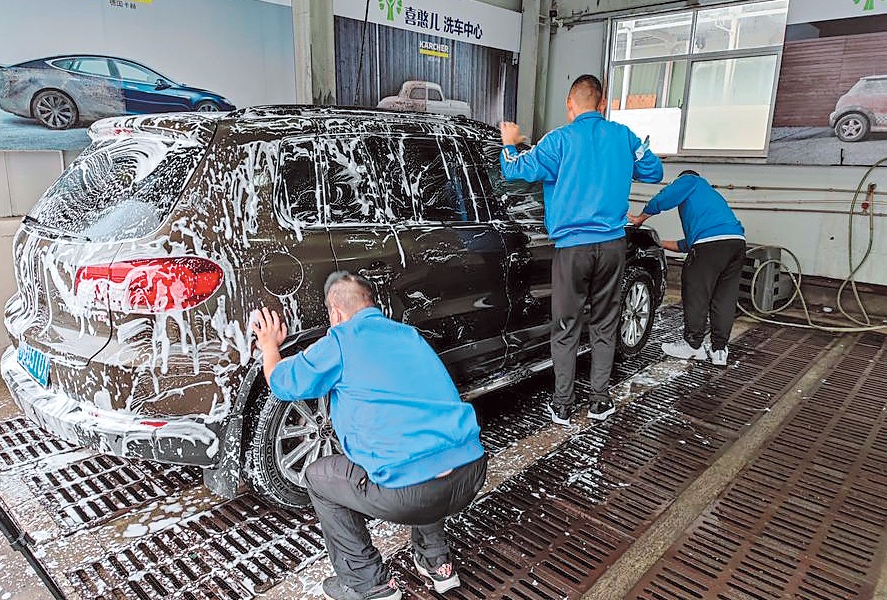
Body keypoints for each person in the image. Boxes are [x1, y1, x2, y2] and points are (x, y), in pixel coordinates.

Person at [251, 271, 487, 600]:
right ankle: (438, 563)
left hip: (410, 493)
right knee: (421, 444)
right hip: (470, 472)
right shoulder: (409, 335)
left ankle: (370, 585)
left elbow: (281, 382)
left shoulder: (341, 340)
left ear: (335, 312)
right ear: (372, 305)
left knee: (319, 478)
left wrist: (268, 346)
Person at [498, 74, 663, 427]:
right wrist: (636, 149)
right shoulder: (622, 136)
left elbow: (513, 171)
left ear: (570, 106)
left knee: (567, 324)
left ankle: (562, 405)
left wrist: (509, 142)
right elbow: (653, 171)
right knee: (605, 322)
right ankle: (600, 401)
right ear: (602, 105)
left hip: (573, 249)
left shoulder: (557, 140)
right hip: (613, 245)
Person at [628, 170, 745, 366]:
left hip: (710, 245)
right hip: (736, 244)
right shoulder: (712, 201)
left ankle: (693, 345)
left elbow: (665, 198)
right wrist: (659, 243)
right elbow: (689, 244)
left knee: (696, 292)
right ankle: (719, 350)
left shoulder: (691, 180)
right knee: (724, 298)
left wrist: (641, 218)